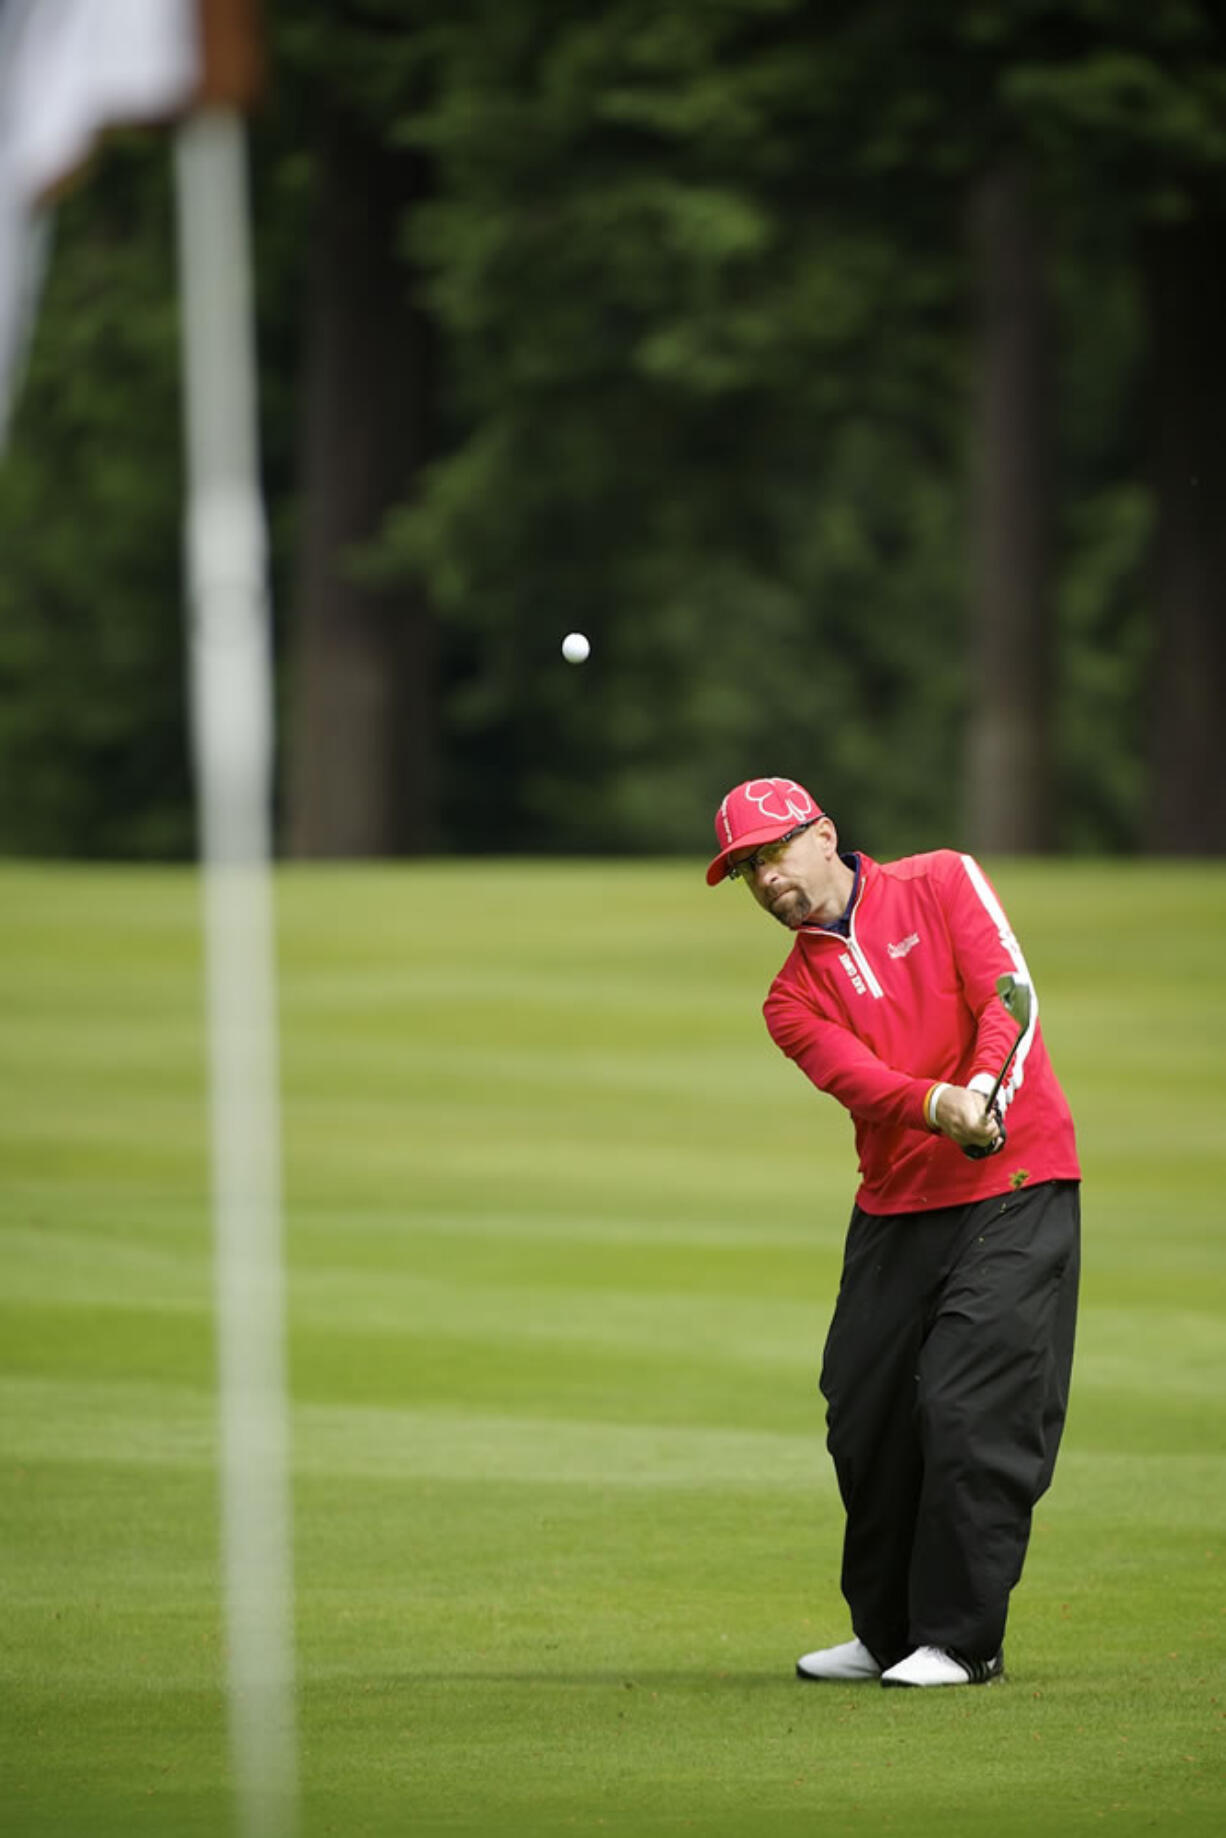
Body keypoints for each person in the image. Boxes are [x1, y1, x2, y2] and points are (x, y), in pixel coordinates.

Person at [706, 776, 1080, 1689]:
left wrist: (985, 1085)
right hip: (897, 1203)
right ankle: (885, 1631)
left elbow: (1009, 992)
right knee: (862, 1411)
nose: (765, 881)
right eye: (747, 870)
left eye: (772, 853)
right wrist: (938, 1103)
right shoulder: (788, 999)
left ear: (823, 834)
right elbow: (861, 1081)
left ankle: (961, 1640)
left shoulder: (940, 881)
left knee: (965, 1405)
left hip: (1016, 1180)